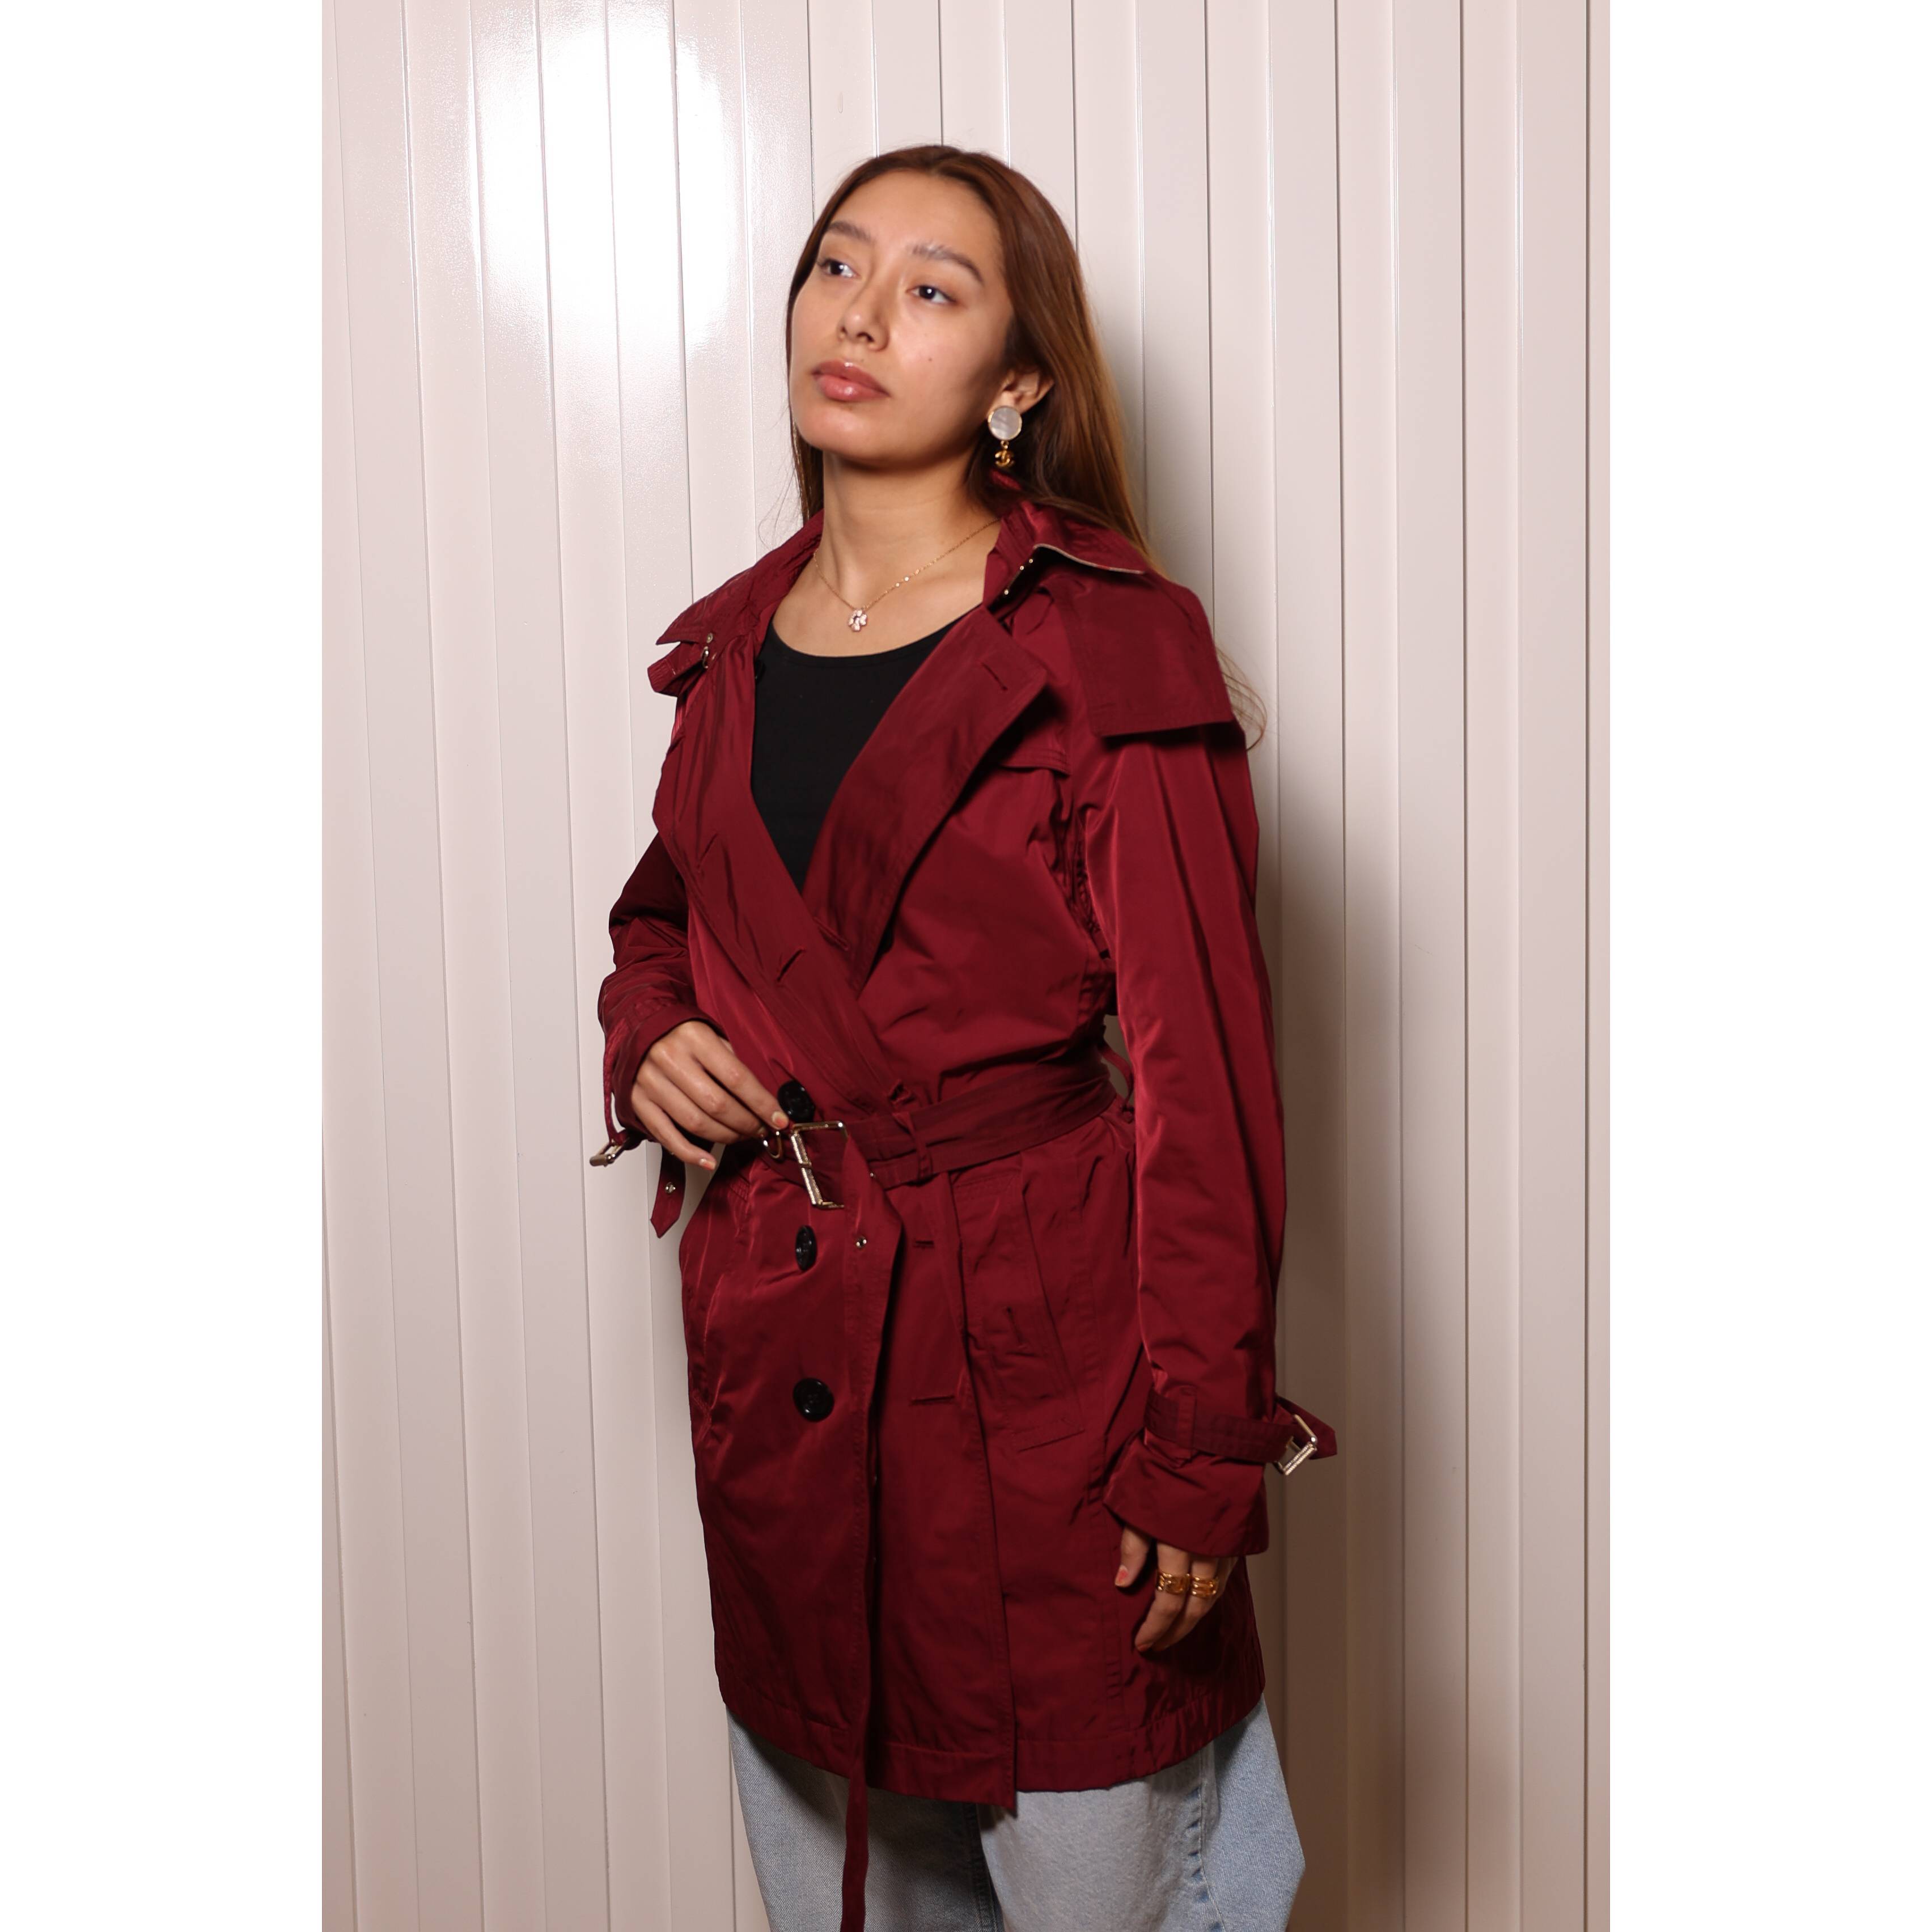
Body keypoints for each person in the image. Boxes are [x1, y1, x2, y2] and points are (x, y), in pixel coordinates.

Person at [593, 143, 1318, 1932]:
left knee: (1113, 1876)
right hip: (782, 1379)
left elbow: (1207, 1083)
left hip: (1049, 1389)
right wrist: (650, 1027)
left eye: (932, 289)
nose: (860, 315)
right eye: (838, 267)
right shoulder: (731, 650)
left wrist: (1200, 1449)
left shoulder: (1110, 648)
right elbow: (665, 913)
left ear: (1018, 382)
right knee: (836, 1874)